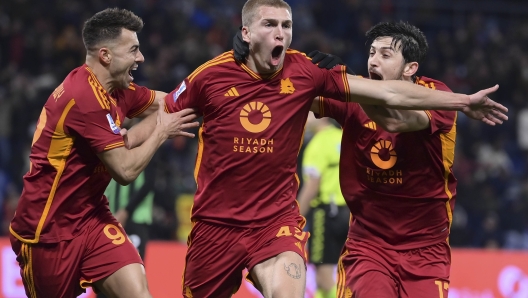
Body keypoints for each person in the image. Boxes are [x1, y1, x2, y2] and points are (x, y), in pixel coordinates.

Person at [125, 0, 505, 296]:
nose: (372, 60)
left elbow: (393, 113)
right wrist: (124, 134)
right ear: (246, 31)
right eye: (270, 25)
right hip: (232, 227)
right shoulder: (214, 74)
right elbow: (170, 106)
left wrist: (462, 101)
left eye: (286, 26)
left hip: (409, 245)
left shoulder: (432, 96)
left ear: (411, 67)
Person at [8, 8, 198, 298]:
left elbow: (166, 103)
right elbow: (124, 171)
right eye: (133, 49)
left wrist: (213, 89)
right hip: (48, 233)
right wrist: (161, 132)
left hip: (92, 218)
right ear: (106, 56)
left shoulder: (116, 89)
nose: (141, 57)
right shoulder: (84, 97)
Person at [308, 21, 468, 298]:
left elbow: (395, 120)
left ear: (410, 68)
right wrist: (305, 73)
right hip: (368, 245)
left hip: (426, 250)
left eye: (385, 55)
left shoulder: (439, 96)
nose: (374, 61)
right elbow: (291, 96)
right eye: (371, 53)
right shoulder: (353, 92)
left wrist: (348, 84)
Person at [297, 115, 348, 298]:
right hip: (351, 214)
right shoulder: (343, 136)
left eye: (309, 112)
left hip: (325, 215)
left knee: (324, 277)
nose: (305, 116)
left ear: (323, 115)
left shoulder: (317, 144)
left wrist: (295, 220)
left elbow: (311, 187)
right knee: (345, 274)